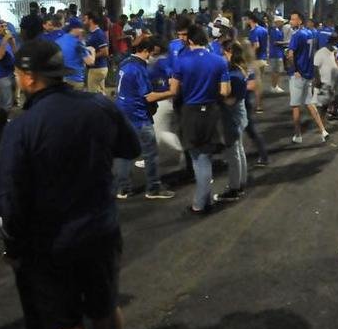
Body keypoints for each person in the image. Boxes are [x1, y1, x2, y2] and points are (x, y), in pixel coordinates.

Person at [0, 38, 139, 329]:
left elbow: (9, 196)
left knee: (66, 319)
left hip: (50, 242)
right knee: (105, 304)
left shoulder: (22, 126)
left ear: (28, 77)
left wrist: (11, 243)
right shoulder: (97, 105)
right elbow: (130, 146)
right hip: (100, 228)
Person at [170, 25, 231, 214]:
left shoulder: (181, 61)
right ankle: (207, 200)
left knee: (199, 160)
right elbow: (225, 91)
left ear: (190, 40)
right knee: (205, 157)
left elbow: (174, 91)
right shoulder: (219, 61)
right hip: (212, 111)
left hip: (191, 111)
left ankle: (199, 204)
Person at [113, 36, 175, 200]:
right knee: (150, 153)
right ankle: (153, 188)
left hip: (122, 112)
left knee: (124, 152)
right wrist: (171, 92)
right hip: (138, 115)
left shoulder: (124, 63)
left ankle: (123, 188)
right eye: (150, 52)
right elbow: (148, 97)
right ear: (146, 50)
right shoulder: (138, 69)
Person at [286, 12, 330, 144]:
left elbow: (290, 55)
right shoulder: (312, 33)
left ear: (300, 21)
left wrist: (295, 69)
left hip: (298, 75)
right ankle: (323, 130)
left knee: (295, 106)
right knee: (309, 103)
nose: (291, 21)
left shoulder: (296, 35)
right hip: (308, 73)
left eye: (293, 19)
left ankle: (298, 135)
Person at [217, 40, 251, 202]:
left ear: (229, 52)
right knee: (239, 151)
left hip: (233, 118)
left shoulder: (234, 75)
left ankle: (234, 188)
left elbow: (231, 101)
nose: (223, 56)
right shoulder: (240, 70)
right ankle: (241, 183)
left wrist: (216, 98)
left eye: (224, 53)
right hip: (240, 115)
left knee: (233, 154)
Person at [246, 13, 270, 109]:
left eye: (246, 19)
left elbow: (256, 45)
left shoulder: (254, 31)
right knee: (259, 82)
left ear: (251, 20)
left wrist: (249, 55)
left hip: (255, 59)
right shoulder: (263, 30)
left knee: (255, 82)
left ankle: (258, 104)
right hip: (263, 59)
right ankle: (259, 103)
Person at [84, 12, 110, 93]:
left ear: (90, 20)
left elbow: (105, 52)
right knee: (100, 92)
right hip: (97, 68)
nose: (83, 22)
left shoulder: (98, 34)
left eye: (85, 19)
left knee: (93, 94)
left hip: (97, 68)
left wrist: (91, 57)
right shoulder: (92, 34)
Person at [268, 16, 287, 92]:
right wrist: (286, 42)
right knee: (276, 71)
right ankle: (274, 86)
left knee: (277, 71)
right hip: (275, 53)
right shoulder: (274, 31)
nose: (282, 23)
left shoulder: (278, 30)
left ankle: (275, 86)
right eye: (281, 22)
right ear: (277, 22)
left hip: (278, 53)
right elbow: (275, 42)